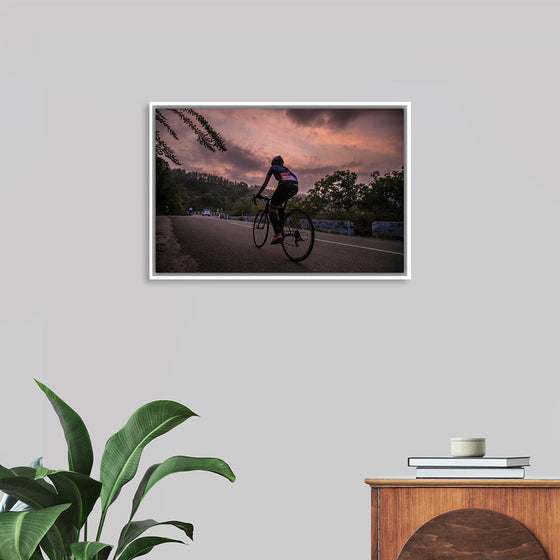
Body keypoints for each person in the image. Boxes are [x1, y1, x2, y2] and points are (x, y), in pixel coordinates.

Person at [253, 155, 299, 244]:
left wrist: (258, 194)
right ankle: (281, 230)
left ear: (274, 163)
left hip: (285, 185)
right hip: (295, 186)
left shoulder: (273, 167)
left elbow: (265, 183)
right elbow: (291, 182)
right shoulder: (287, 170)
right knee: (280, 206)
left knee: (272, 208)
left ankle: (278, 235)